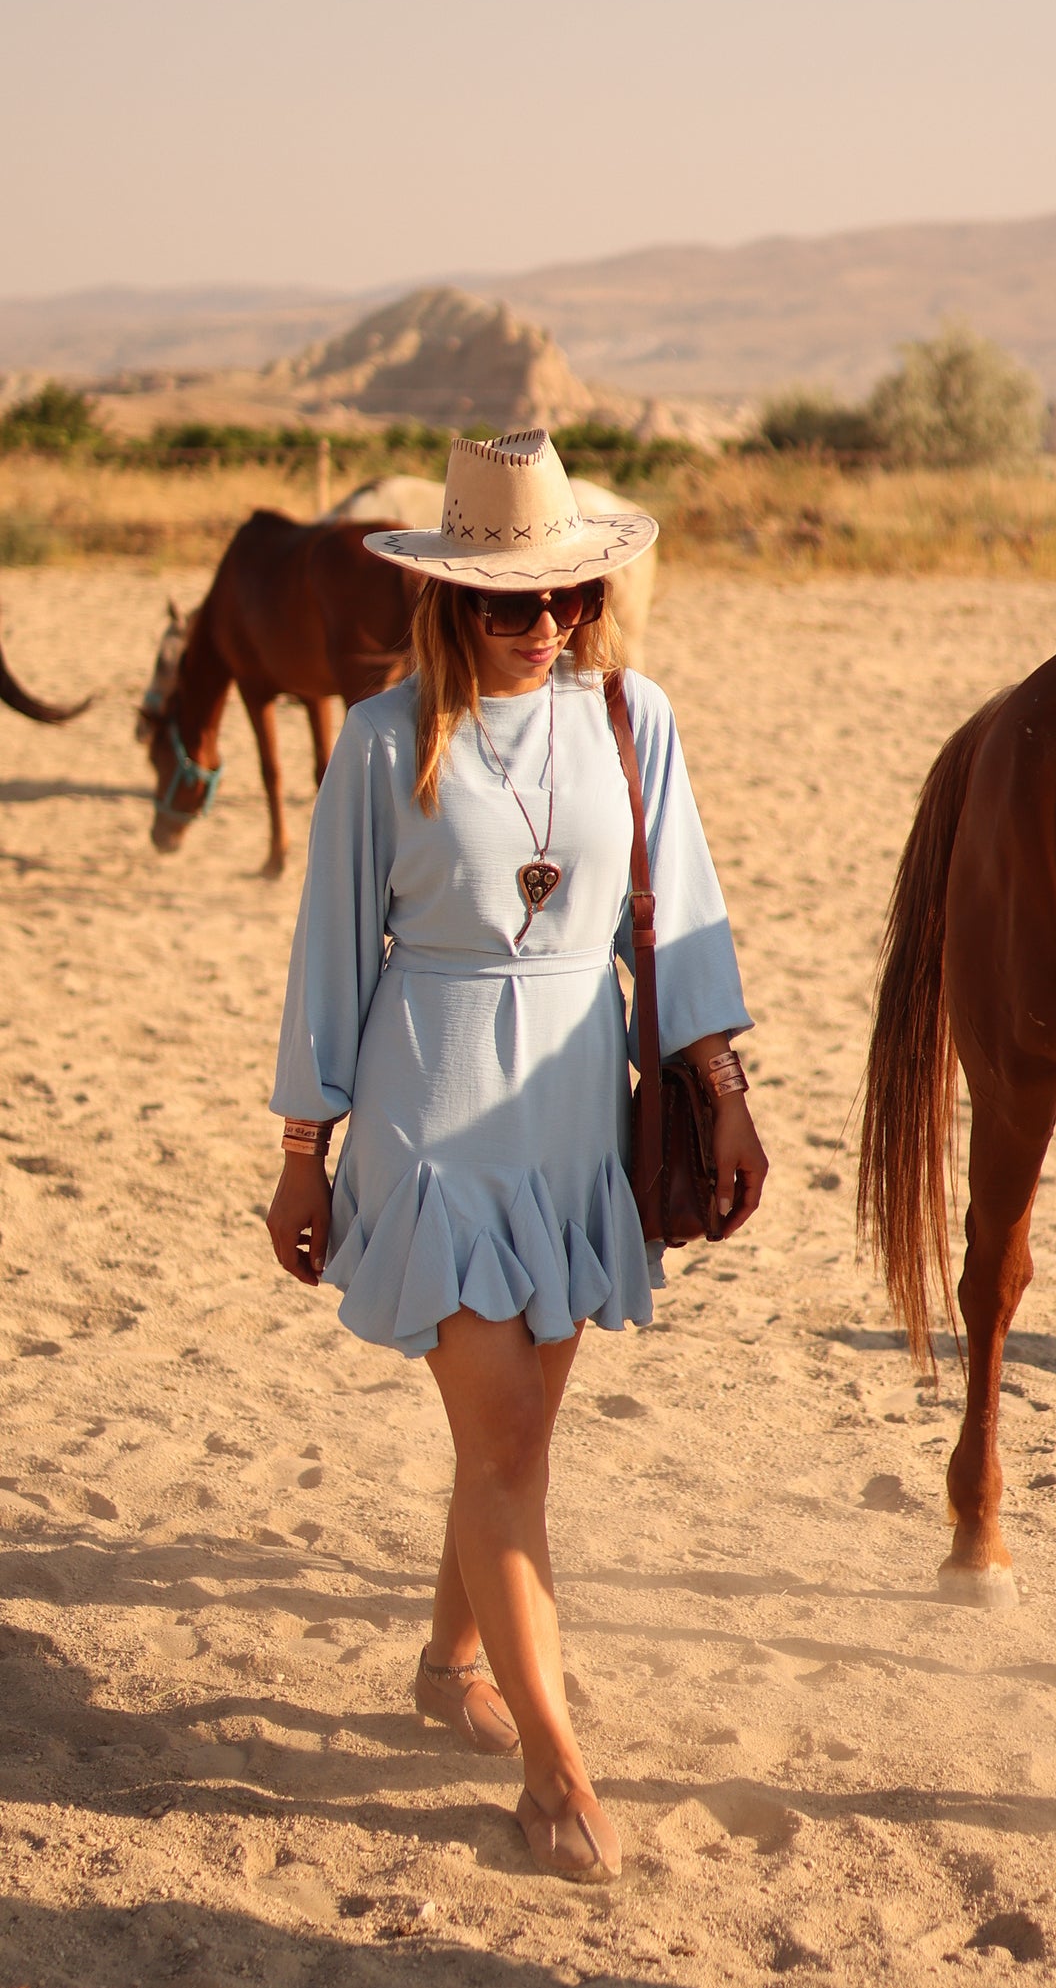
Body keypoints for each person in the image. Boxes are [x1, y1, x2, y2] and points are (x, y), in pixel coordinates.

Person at [266, 430, 767, 1882]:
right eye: (506, 603)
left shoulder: (631, 718)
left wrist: (720, 1088)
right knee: (501, 1447)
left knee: (514, 1448)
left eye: (567, 600)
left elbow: (678, 923)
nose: (542, 625)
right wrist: (306, 1149)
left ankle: (443, 1666)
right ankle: (555, 1773)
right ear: (446, 605)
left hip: (570, 1121)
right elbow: (323, 958)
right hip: (427, 1115)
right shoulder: (379, 743)